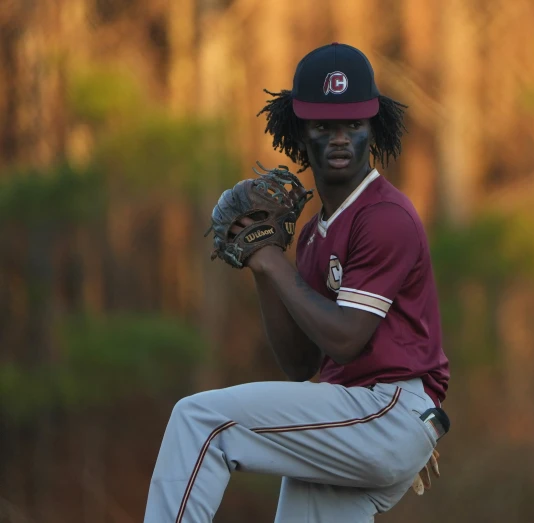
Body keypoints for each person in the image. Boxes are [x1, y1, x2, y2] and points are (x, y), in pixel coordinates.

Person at [143, 42, 450, 523]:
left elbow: (346, 340)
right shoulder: (313, 235)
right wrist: (265, 269)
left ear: (375, 126)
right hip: (356, 415)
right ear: (298, 131)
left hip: (387, 408)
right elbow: (300, 362)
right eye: (323, 125)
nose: (340, 138)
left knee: (201, 422)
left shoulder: (384, 215)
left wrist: (272, 261)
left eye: (353, 123)